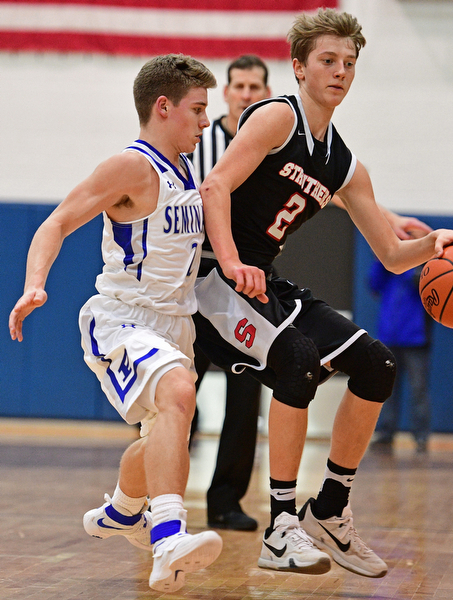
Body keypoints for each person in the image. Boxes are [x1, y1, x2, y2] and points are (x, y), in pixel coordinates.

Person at [193, 8, 453, 579]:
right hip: (213, 278)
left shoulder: (345, 164)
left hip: (261, 278)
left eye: (349, 63)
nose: (339, 72)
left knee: (376, 365)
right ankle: (281, 526)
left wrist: (440, 242)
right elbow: (215, 185)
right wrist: (232, 263)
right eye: (327, 61)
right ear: (299, 67)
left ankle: (328, 509)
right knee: (298, 362)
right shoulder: (276, 118)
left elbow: (392, 252)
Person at [8, 54, 223, 594]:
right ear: (163, 106)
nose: (204, 121)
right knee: (178, 391)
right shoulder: (132, 166)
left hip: (176, 325)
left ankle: (125, 510)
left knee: (161, 438)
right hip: (124, 319)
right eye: (197, 110)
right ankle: (167, 535)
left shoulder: (186, 168)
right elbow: (56, 222)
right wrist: (35, 283)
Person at [189, 54, 271, 532]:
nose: (245, 94)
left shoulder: (275, 147)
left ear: (266, 92)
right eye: (237, 86)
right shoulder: (199, 143)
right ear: (226, 92)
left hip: (246, 284)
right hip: (196, 280)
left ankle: (225, 502)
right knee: (177, 392)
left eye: (254, 87)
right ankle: (159, 496)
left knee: (245, 396)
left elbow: (337, 188)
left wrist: (387, 220)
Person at [369, 260, 432, 453]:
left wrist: (403, 263)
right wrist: (382, 260)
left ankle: (421, 436)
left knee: (418, 389)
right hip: (389, 337)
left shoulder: (425, 268)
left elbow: (419, 283)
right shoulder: (388, 268)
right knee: (387, 389)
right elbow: (373, 284)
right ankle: (386, 433)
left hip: (415, 338)